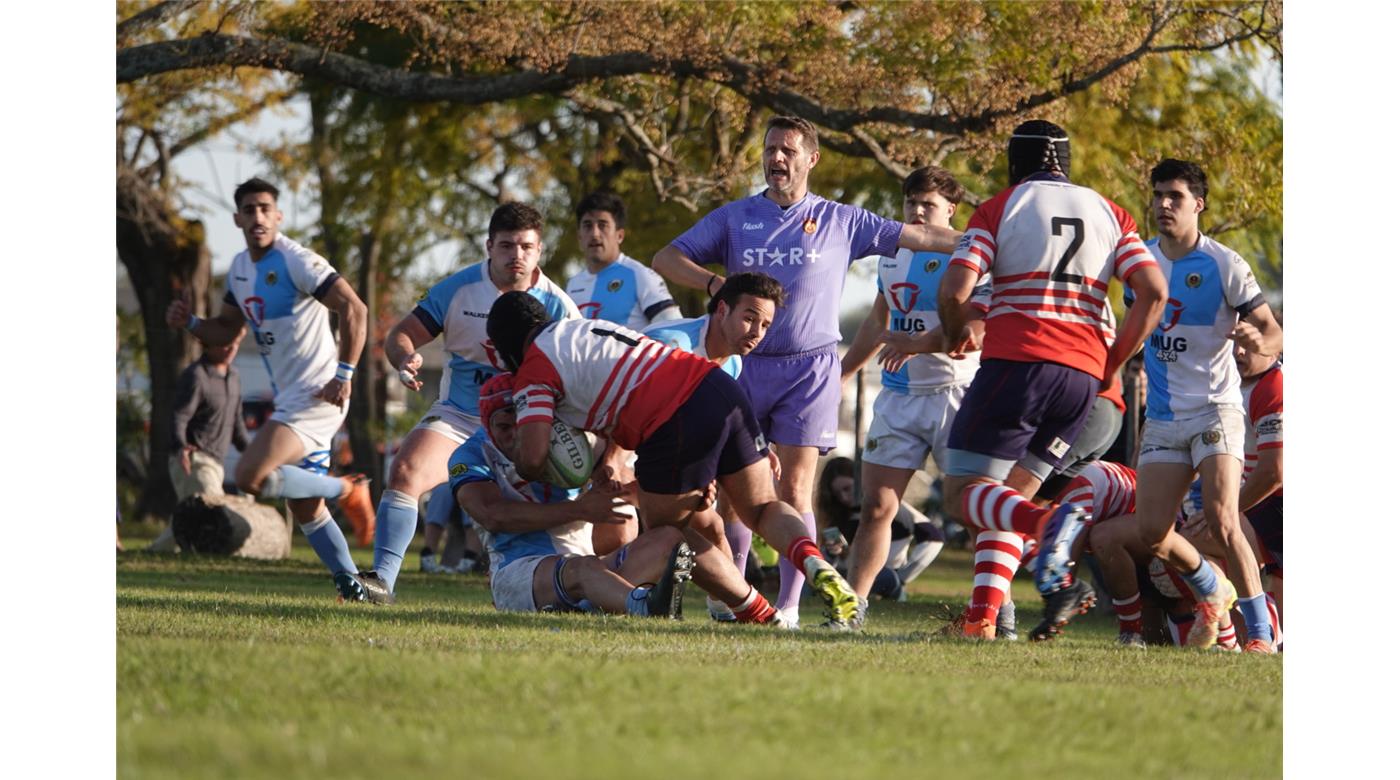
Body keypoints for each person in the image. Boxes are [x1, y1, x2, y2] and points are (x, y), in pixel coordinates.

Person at [653, 115, 962, 626]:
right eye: (770, 148)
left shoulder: (844, 220)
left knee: (796, 490)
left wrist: (991, 243)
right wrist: (715, 286)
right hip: (743, 366)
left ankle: (791, 607)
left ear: (811, 159)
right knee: (737, 494)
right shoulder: (735, 218)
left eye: (788, 150)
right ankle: (734, 596)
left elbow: (923, 236)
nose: (777, 158)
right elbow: (667, 257)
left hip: (812, 369)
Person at [486, 291, 860, 628]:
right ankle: (816, 564)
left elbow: (533, 459)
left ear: (505, 350)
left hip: (671, 419)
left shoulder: (534, 369)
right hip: (719, 387)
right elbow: (611, 391)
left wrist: (523, 449)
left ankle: (758, 614)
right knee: (762, 507)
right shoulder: (580, 329)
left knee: (670, 538)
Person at [934, 119, 1168, 639]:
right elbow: (1152, 292)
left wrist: (954, 330)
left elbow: (953, 290)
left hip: (1019, 366)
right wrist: (1113, 363)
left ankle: (1049, 530)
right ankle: (982, 620)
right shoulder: (1111, 211)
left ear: (1015, 162)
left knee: (961, 495)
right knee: (1010, 497)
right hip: (1085, 385)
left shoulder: (1001, 207)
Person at [165, 177, 378, 601]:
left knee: (248, 476)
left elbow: (354, 308)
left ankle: (349, 489)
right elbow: (227, 328)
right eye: (249, 209)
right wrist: (190, 322)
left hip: (320, 395)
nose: (257, 216)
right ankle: (353, 586)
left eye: (265, 208)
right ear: (237, 218)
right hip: (292, 398)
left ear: (278, 216)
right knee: (304, 507)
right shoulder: (242, 270)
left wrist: (345, 373)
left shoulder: (297, 261)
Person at [372, 202, 580, 598]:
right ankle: (380, 581)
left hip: (530, 423)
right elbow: (401, 334)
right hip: (461, 416)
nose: (516, 256)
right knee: (404, 472)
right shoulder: (459, 289)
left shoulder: (559, 307)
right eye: (506, 246)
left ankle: (608, 583)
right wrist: (405, 359)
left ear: (539, 250)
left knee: (584, 501)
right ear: (489, 246)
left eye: (526, 247)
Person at [1130, 158, 1283, 653]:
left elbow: (1274, 333)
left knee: (1222, 518)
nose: (1163, 205)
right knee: (1152, 531)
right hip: (1165, 416)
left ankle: (1260, 633)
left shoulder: (1224, 263)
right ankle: (1213, 591)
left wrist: (1256, 339)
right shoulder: (1140, 261)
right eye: (1157, 196)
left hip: (1216, 411)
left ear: (1199, 204)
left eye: (1174, 196)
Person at [838, 165, 976, 629]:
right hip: (899, 398)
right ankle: (850, 609)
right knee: (876, 506)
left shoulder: (971, 253)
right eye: (910, 204)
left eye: (928, 205)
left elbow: (975, 326)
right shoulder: (891, 254)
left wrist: (917, 343)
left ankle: (996, 610)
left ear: (951, 211)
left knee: (968, 507)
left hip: (954, 394)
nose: (917, 212)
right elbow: (879, 322)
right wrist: (842, 373)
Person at [450, 374, 694, 617]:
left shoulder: (567, 438)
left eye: (523, 423)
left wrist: (690, 493)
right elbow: (492, 515)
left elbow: (632, 488)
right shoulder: (471, 455)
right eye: (504, 426)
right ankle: (645, 606)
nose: (516, 435)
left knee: (669, 539)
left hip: (587, 564)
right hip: (520, 571)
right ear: (487, 425)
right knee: (582, 568)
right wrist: (579, 510)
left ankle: (596, 606)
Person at [643, 272, 785, 622]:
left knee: (712, 527)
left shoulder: (732, 361)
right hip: (620, 449)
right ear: (722, 309)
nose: (756, 332)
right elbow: (644, 416)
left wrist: (756, 452)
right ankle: (621, 597)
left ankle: (727, 611)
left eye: (765, 325)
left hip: (661, 457)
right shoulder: (674, 346)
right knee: (643, 534)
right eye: (749, 318)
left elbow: (714, 425)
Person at [150, 324, 251, 551]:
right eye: (224, 343)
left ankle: (155, 553)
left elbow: (237, 425)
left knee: (190, 520)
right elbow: (179, 416)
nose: (230, 348)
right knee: (211, 515)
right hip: (193, 461)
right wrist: (180, 447)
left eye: (234, 343)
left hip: (216, 464)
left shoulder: (234, 377)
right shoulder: (197, 376)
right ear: (207, 343)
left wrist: (256, 456)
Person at [566, 191, 682, 328]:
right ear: (579, 236)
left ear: (619, 236)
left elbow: (675, 332)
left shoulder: (641, 276)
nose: (594, 234)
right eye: (587, 225)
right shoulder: (572, 285)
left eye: (602, 225)